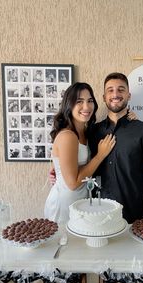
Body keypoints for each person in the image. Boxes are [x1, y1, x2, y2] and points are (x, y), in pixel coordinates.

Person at [89, 72, 143, 223]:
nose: (115, 94)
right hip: (96, 213)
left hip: (133, 216)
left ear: (129, 95)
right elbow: (78, 161)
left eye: (121, 89)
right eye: (110, 90)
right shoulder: (92, 131)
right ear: (104, 97)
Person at [44, 82, 116, 224]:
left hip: (80, 202)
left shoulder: (86, 131)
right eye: (79, 102)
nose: (86, 107)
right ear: (69, 105)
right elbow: (73, 183)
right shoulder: (68, 136)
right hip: (64, 204)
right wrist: (100, 155)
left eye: (90, 101)